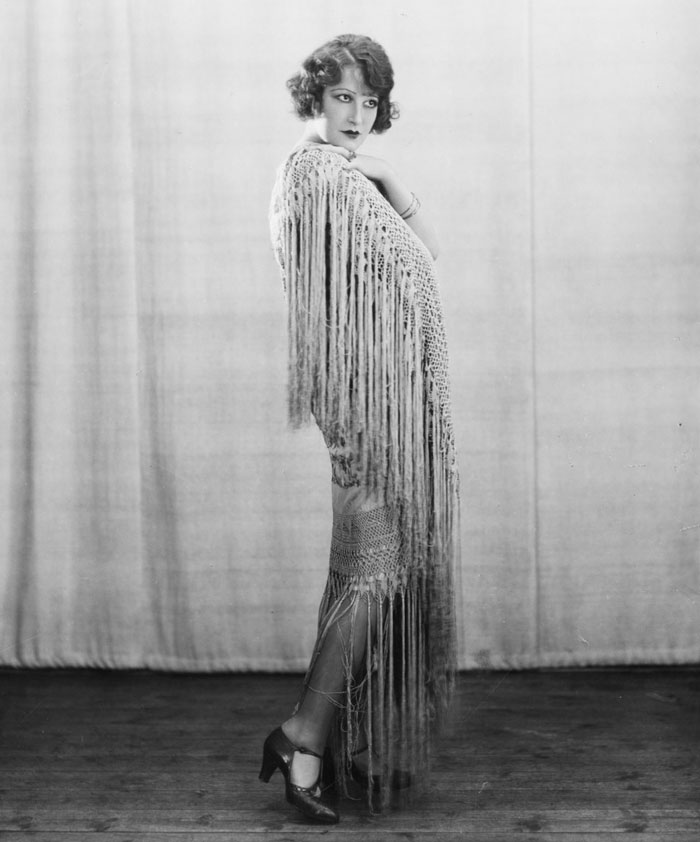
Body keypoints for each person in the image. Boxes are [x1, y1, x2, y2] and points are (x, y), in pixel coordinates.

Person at [262, 33, 460, 823]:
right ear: (314, 97)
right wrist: (379, 181)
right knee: (374, 574)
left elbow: (425, 257)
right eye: (341, 96)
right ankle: (302, 735)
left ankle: (333, 740)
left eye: (369, 101)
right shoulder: (319, 174)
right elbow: (411, 268)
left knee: (371, 573)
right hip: (365, 408)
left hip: (377, 402)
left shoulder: (346, 176)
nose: (355, 114)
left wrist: (390, 179)